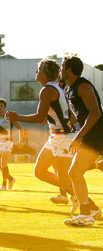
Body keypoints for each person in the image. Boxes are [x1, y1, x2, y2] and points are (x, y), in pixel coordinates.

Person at [6, 58, 88, 215]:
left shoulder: (47, 90)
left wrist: (17, 116)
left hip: (63, 137)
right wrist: (49, 117)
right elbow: (61, 112)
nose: (36, 72)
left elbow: (38, 117)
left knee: (65, 179)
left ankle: (89, 206)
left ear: (46, 73)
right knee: (40, 171)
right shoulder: (54, 87)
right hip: (57, 136)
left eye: (39, 69)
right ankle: (78, 197)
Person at [61, 55, 103, 226]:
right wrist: (70, 124)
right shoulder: (70, 89)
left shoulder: (83, 86)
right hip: (91, 134)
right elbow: (81, 114)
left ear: (69, 69)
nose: (61, 69)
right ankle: (90, 211)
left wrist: (78, 137)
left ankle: (86, 214)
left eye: (63, 66)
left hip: (96, 135)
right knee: (75, 172)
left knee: (74, 172)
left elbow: (95, 113)